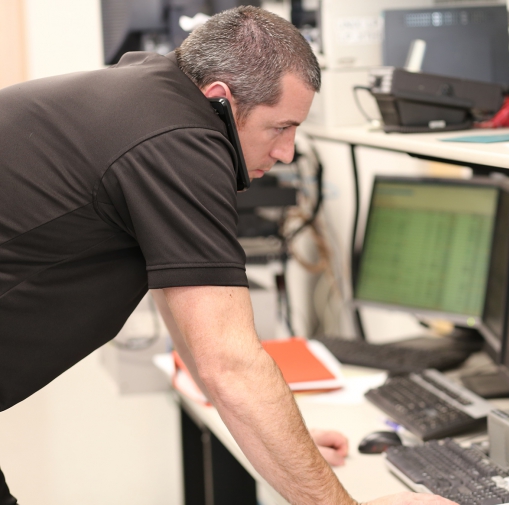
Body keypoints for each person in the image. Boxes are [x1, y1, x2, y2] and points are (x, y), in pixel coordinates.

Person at [0, 6, 457, 505]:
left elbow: (189, 308)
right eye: (280, 127)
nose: (287, 152)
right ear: (220, 99)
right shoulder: (182, 139)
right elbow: (231, 364)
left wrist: (285, 445)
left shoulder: (150, 92)